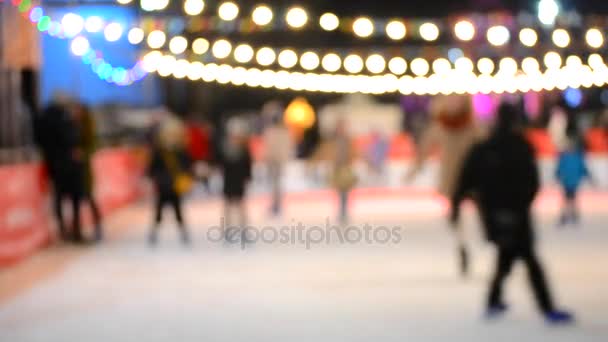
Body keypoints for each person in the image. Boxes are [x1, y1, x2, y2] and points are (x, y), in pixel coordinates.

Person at [451, 103, 574, 325]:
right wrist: (520, 206)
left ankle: (494, 301)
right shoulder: (519, 146)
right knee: (525, 257)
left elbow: (464, 181)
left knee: (507, 254)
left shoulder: (485, 148)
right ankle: (546, 307)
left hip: (494, 214)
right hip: (516, 213)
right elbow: (532, 182)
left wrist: (460, 205)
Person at [406, 94, 484, 275]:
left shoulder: (473, 127)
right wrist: (413, 170)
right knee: (455, 217)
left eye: (456, 101)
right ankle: (462, 245)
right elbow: (424, 150)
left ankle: (488, 236)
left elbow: (485, 147)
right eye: (450, 101)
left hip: (472, 179)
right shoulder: (440, 126)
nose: (453, 104)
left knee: (483, 211)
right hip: (452, 179)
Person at [34, 95, 79, 241]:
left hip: (52, 163)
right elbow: (70, 139)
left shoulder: (43, 118)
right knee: (73, 196)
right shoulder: (64, 119)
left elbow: (38, 138)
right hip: (67, 164)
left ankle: (62, 228)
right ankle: (74, 228)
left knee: (58, 196)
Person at [147, 116, 192, 246]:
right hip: (163, 187)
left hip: (174, 187)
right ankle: (153, 235)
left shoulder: (181, 150)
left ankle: (183, 235)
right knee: (159, 212)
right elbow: (152, 169)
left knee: (178, 212)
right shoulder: (160, 152)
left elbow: (187, 166)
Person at [68, 103, 103, 243]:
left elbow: (93, 145)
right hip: (73, 170)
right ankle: (76, 232)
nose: (75, 112)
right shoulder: (71, 125)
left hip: (84, 170)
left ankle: (98, 226)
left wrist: (83, 154)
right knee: (75, 201)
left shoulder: (88, 127)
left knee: (88, 198)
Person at [218, 118, 252, 238]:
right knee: (228, 207)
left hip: (239, 181)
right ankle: (228, 231)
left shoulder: (244, 148)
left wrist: (248, 177)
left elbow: (248, 164)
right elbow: (221, 164)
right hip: (229, 181)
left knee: (240, 207)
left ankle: (244, 231)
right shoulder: (225, 148)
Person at [556, 137, 591, 226]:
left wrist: (589, 177)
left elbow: (583, 168)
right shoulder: (565, 157)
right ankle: (566, 216)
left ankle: (571, 215)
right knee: (567, 199)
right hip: (567, 182)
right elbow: (560, 168)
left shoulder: (576, 157)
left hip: (573, 182)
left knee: (571, 199)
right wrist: (558, 175)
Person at [263, 112, 293, 216]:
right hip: (276, 161)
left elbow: (271, 148)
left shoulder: (273, 132)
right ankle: (276, 205)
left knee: (276, 185)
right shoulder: (283, 132)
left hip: (275, 161)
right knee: (276, 184)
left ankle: (277, 205)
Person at [329, 119, 357, 225]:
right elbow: (329, 152)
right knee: (340, 192)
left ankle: (344, 212)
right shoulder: (334, 140)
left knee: (345, 193)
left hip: (345, 169)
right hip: (337, 169)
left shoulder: (348, 140)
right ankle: (341, 212)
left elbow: (353, 152)